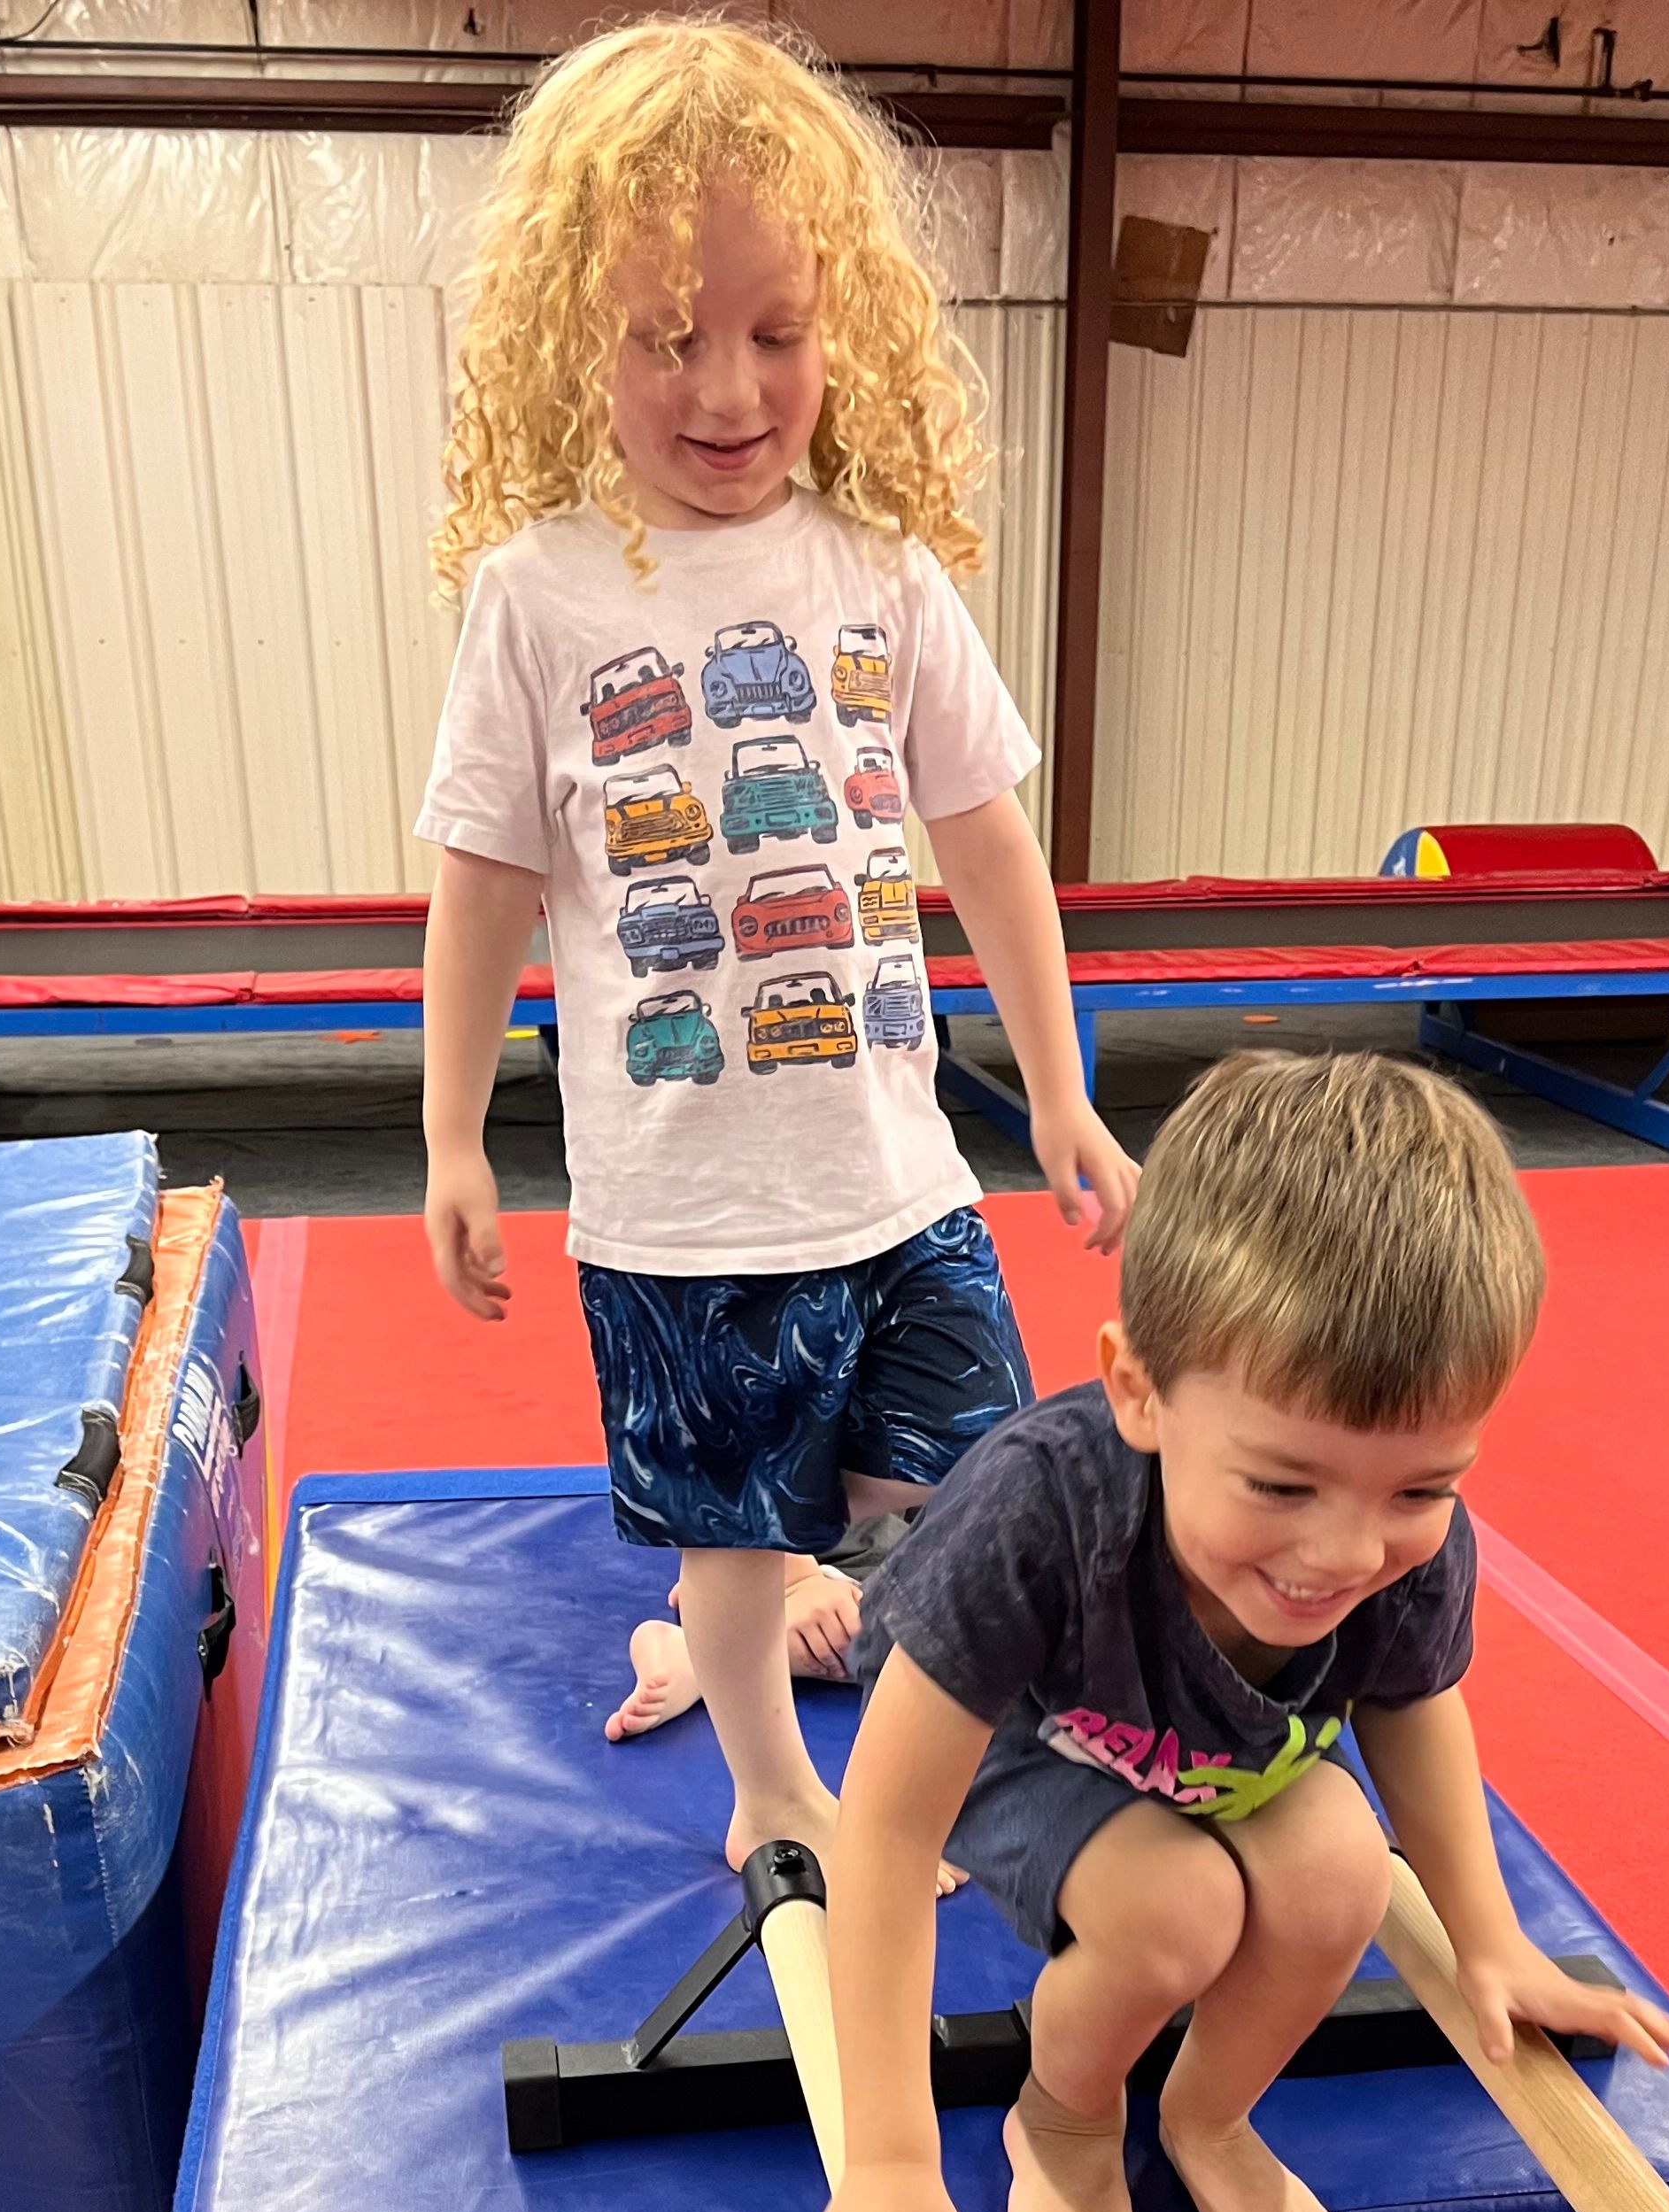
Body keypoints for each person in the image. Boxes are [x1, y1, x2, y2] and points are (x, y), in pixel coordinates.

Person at [414, 17, 1134, 1875]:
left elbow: (989, 840)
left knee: (978, 1492)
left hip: (895, 1176)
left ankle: (911, 1709)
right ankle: (764, 1778)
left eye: (773, 335)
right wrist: (449, 1142)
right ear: (577, 337)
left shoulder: (881, 573)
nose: (727, 388)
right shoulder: (541, 593)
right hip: (686, 1210)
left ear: (843, 330)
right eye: (668, 339)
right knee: (734, 1531)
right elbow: (484, 881)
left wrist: (1058, 1093)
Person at [808, 1049, 1669, 2212]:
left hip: (1216, 1755)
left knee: (1345, 1863)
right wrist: (884, 2170)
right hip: (1030, 1744)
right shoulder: (1032, 1516)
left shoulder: (1402, 1539)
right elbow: (882, 1829)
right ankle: (1064, 2117)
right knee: (1176, 1911)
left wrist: (1490, 1941)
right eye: (1284, 1484)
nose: (1347, 1549)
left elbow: (1413, 1711)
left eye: (1421, 1486)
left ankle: (1208, 2117)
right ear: (1139, 1391)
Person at [604, 1512, 908, 1744]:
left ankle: (724, 1602)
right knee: (916, 1639)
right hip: (819, 1530)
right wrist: (798, 1580)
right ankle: (731, 1592)